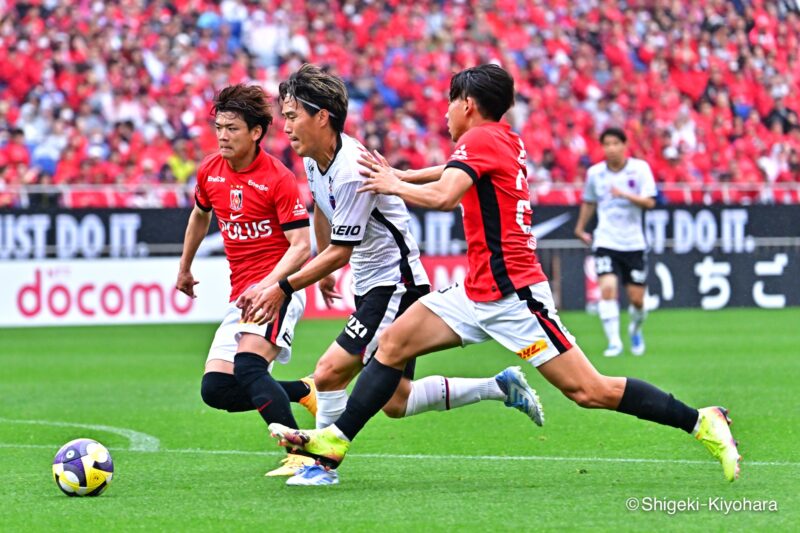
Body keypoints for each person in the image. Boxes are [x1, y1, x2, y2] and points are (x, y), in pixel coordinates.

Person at [268, 64, 741, 485]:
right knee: (391, 345)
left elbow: (446, 195)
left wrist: (393, 183)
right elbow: (446, 171)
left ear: (468, 104)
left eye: (450, 103)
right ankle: (335, 441)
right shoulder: (501, 138)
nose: (446, 114)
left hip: (515, 295)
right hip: (475, 292)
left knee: (588, 390)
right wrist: (402, 174)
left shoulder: (480, 139)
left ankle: (701, 420)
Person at [238, 64, 544, 485]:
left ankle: (319, 464)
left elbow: (341, 252)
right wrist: (323, 257)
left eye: (292, 116)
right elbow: (322, 213)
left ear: (321, 117)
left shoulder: (349, 168)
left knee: (328, 372)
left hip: (395, 283)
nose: (285, 126)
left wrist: (280, 286)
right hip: (373, 283)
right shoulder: (315, 159)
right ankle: (499, 386)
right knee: (396, 401)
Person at [176, 84, 318, 478]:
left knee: (250, 368)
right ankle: (304, 391)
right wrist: (185, 267)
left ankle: (302, 453)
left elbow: (301, 245)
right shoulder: (210, 171)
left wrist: (272, 286)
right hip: (243, 294)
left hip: (277, 290)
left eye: (232, 128)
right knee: (217, 390)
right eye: (219, 127)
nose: (222, 135)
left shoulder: (278, 178)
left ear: (256, 132)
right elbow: (200, 215)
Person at [574, 127, 657, 357]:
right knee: (608, 290)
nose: (610, 149)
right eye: (606, 144)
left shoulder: (639, 169)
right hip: (606, 240)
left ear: (624, 145)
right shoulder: (595, 173)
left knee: (637, 300)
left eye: (615, 143)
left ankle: (635, 329)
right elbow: (589, 201)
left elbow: (650, 202)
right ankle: (614, 343)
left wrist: (625, 195)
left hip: (633, 244)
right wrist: (580, 227)